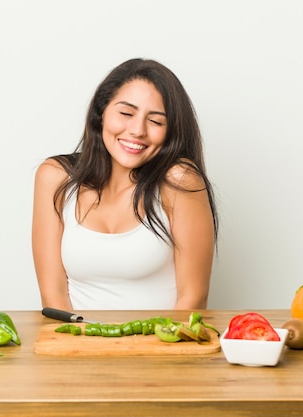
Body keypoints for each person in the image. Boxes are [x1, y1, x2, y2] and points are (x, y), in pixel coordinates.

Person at [32, 58, 217, 310]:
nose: (137, 130)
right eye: (126, 113)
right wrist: (78, 345)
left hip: (161, 345)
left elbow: (193, 298)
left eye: (156, 121)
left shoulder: (179, 181)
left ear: (171, 131)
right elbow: (53, 296)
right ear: (101, 114)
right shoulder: (55, 178)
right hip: (76, 344)